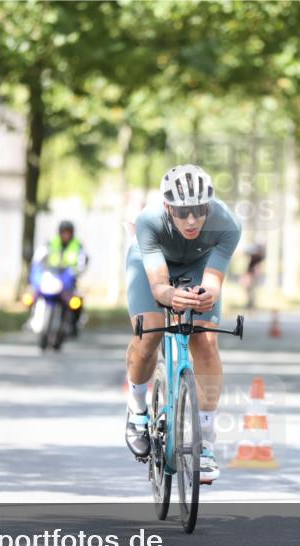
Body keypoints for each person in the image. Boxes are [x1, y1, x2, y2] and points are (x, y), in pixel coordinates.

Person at [124, 164, 242, 483]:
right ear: (167, 207)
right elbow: (159, 287)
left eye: (199, 210)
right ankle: (137, 411)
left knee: (205, 340)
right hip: (152, 264)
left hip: (199, 263)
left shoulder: (227, 223)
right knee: (149, 333)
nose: (191, 220)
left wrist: (207, 296)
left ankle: (204, 442)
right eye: (181, 212)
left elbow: (214, 280)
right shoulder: (148, 221)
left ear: (209, 205)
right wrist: (171, 295)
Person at [34, 220, 88, 335]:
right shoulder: (51, 242)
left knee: (77, 300)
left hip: (68, 279)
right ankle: (33, 318)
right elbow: (39, 257)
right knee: (34, 294)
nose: (66, 235)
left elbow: (82, 260)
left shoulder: (77, 245)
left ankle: (74, 323)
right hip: (52, 277)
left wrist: (79, 270)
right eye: (64, 232)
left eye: (68, 233)